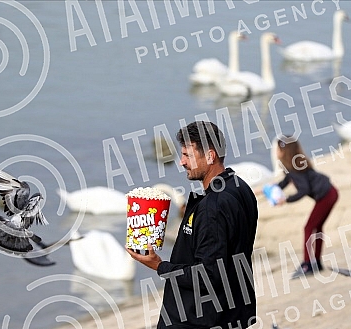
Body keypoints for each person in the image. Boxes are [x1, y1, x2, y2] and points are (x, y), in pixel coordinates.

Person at [126, 121, 259, 329]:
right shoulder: (241, 188)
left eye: (187, 155)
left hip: (199, 318)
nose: (181, 162)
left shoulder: (212, 207)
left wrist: (159, 266)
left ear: (210, 155)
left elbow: (209, 274)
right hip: (233, 312)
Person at [273, 137, 338, 278]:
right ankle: (316, 263)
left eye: (278, 148)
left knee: (308, 228)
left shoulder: (293, 168)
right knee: (318, 227)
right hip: (330, 192)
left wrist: (286, 200)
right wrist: (270, 189)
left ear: (283, 151)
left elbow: (304, 189)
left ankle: (308, 264)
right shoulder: (294, 166)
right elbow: (285, 182)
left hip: (326, 195)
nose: (276, 151)